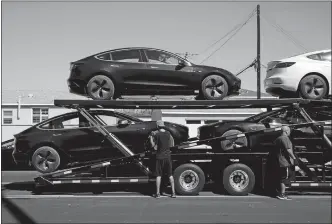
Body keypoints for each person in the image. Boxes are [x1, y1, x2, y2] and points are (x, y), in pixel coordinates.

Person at [149, 120, 176, 199]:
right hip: (167, 156)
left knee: (158, 175)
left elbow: (153, 146)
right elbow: (172, 144)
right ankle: (173, 193)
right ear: (163, 126)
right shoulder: (168, 134)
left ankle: (157, 194)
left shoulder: (157, 135)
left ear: (158, 126)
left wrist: (151, 137)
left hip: (159, 157)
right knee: (170, 175)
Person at [273, 125, 298, 200]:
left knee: (284, 176)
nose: (290, 132)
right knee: (284, 178)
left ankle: (281, 192)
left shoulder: (278, 139)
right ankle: (282, 194)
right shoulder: (285, 138)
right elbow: (288, 149)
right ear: (286, 131)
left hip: (280, 161)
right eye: (289, 131)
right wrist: (294, 158)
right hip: (284, 161)